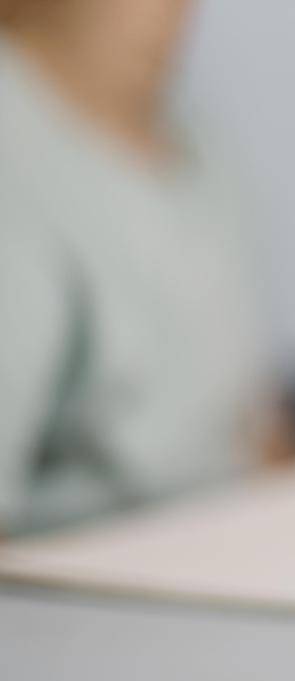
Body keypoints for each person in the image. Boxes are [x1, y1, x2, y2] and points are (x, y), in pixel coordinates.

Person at [0, 0, 268, 535]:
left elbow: (255, 421)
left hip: (223, 537)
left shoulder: (198, 149)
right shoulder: (19, 153)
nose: (170, 16)